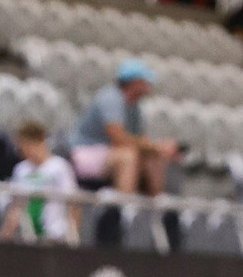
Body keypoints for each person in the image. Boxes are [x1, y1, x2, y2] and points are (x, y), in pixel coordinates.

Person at [69, 58, 177, 196]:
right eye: (145, 82)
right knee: (128, 157)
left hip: (109, 153)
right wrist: (153, 146)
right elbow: (118, 138)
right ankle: (123, 210)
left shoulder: (134, 106)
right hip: (85, 152)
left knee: (152, 156)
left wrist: (155, 148)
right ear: (134, 82)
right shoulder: (110, 98)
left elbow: (137, 139)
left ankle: (156, 210)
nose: (149, 86)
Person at [0, 120, 80, 244]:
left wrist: (73, 237)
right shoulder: (21, 169)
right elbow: (15, 206)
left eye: (25, 146)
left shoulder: (60, 167)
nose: (22, 151)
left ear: (38, 143)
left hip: (56, 235)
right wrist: (5, 236)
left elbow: (73, 204)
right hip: (27, 235)